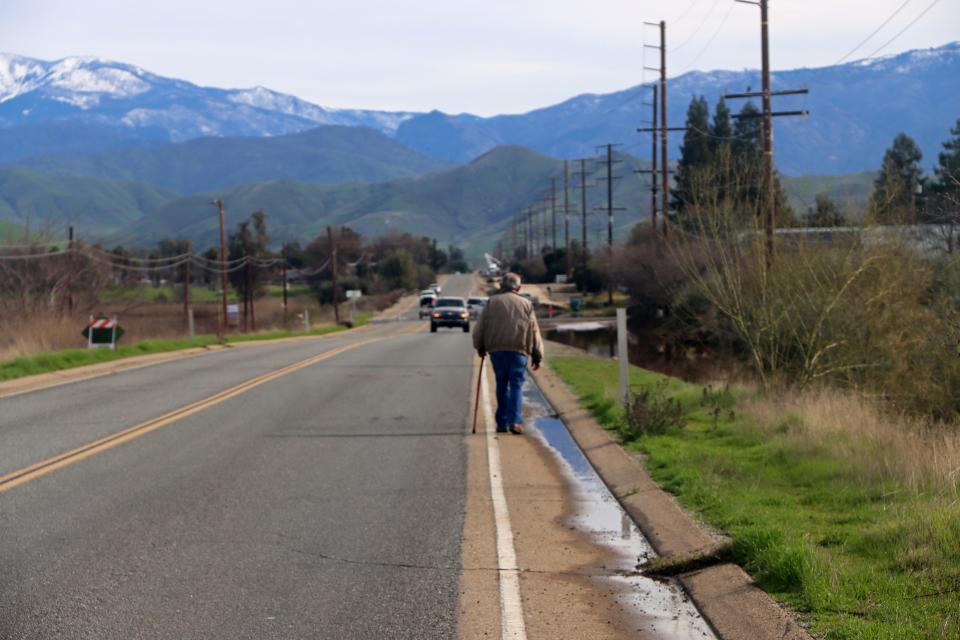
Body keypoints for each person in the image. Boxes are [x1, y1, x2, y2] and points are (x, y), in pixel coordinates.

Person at [472, 272, 545, 435]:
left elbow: (479, 329)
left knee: (501, 385)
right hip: (519, 351)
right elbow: (534, 330)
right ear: (518, 287)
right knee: (516, 385)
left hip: (497, 351)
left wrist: (480, 347)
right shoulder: (526, 304)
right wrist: (537, 354)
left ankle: (502, 423)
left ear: (501, 286)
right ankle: (515, 422)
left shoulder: (491, 303)